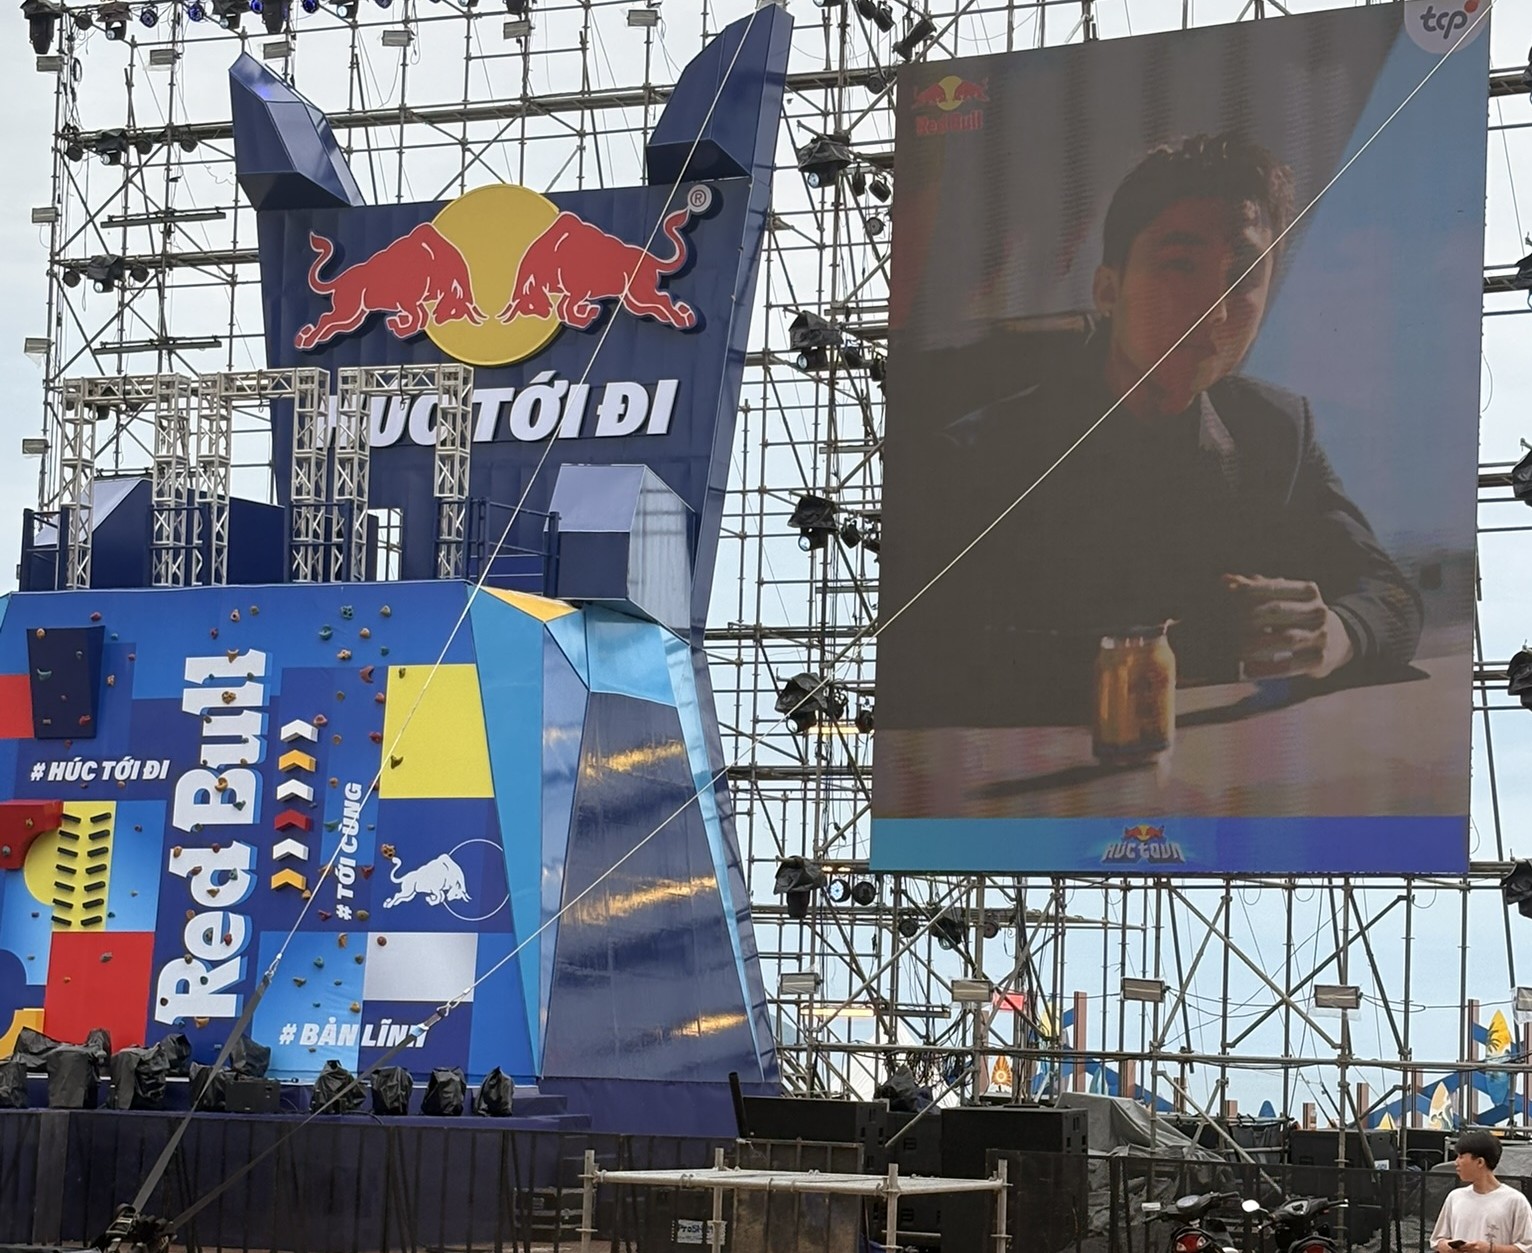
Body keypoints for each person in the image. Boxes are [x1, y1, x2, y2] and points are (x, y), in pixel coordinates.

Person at [882, 132, 1424, 728]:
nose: (1214, 311)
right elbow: (925, 654)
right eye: (1180, 266)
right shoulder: (981, 455)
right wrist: (1181, 650)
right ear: (1107, 289)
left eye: (1245, 275)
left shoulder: (1276, 429)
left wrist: (1335, 633)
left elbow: (1392, 594)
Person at [1430, 1130, 1532, 1253]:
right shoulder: (1455, 1197)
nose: (1456, 1162)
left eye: (1461, 1157)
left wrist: (1490, 1249)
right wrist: (1446, 1246)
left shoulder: (1515, 1201)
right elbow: (1437, 1240)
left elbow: (1526, 1248)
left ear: (1480, 1162)